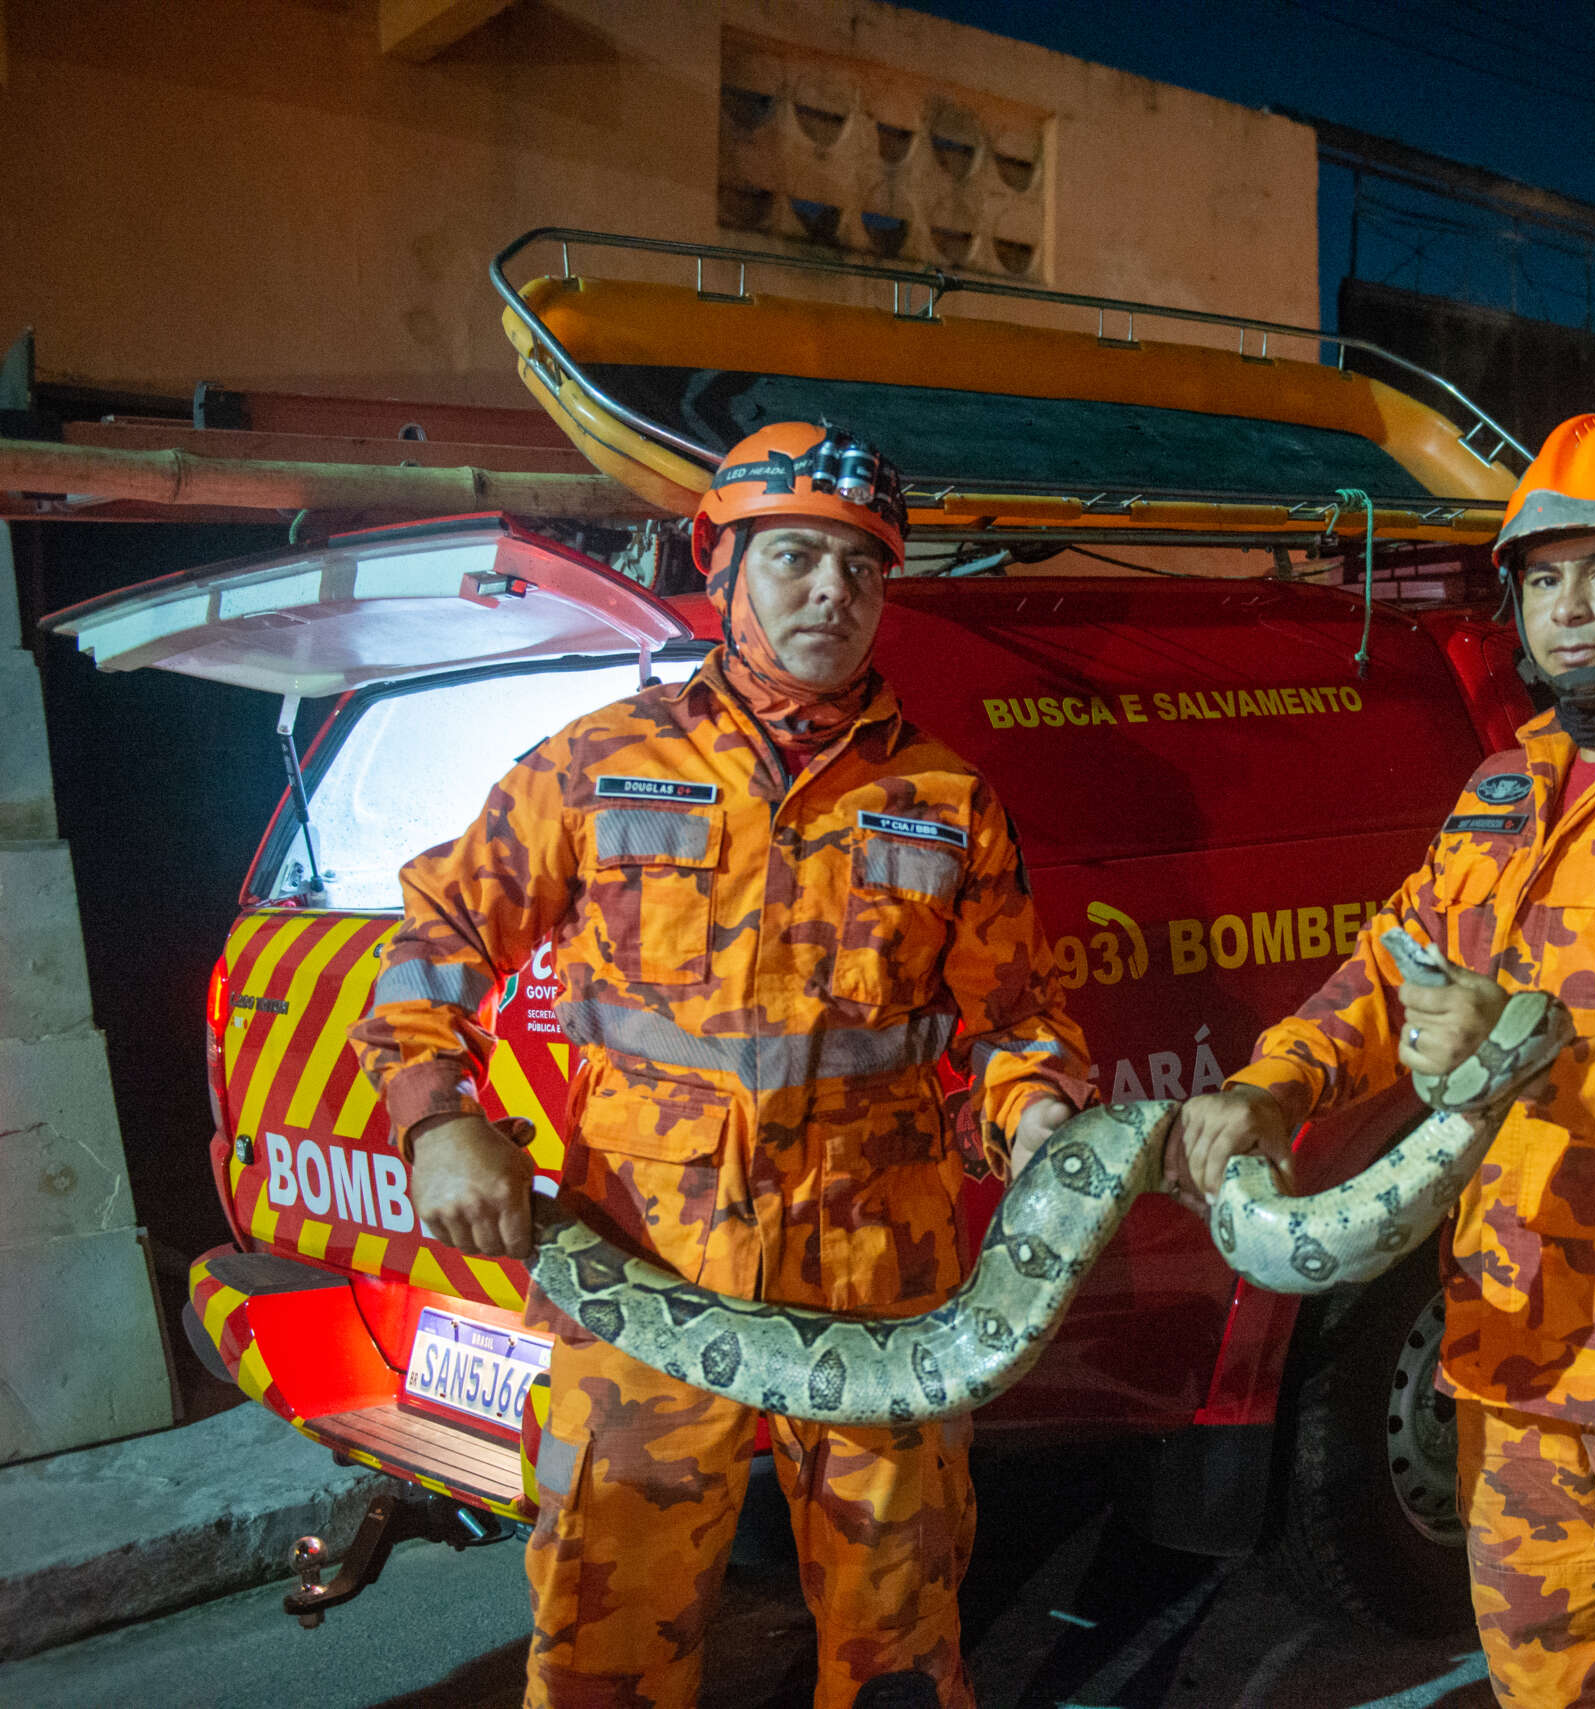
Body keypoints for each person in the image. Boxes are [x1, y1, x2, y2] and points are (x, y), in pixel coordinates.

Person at [353, 422, 1089, 1709]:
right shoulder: (600, 761)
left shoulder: (944, 796)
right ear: (722, 561)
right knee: (605, 1634)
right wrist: (434, 1115)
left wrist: (1037, 1123)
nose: (830, 593)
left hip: (883, 1278)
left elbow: (1019, 1017)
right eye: (795, 556)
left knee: (900, 1632)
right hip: (642, 1265)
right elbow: (438, 937)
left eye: (861, 569)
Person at [1171, 414, 1595, 1708]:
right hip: (1508, 1339)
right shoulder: (1507, 785)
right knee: (1542, 1679)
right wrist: (1274, 1084)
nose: (1571, 608)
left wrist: (1533, 1055)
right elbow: (1395, 972)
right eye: (1544, 579)